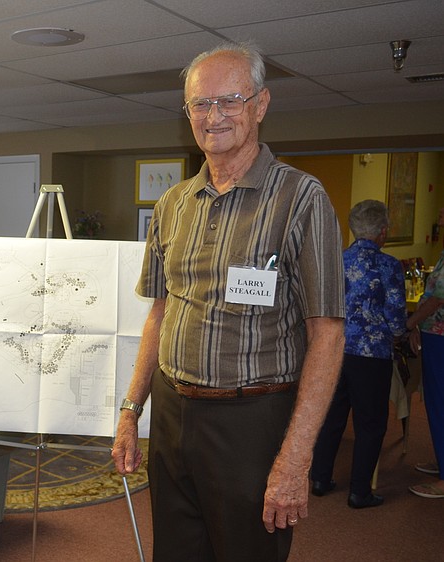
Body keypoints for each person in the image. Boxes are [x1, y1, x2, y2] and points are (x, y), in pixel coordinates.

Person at [111, 42, 345, 562]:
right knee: (175, 551)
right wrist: (133, 409)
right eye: (199, 104)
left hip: (252, 421)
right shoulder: (172, 203)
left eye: (229, 101)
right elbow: (160, 312)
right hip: (173, 414)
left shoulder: (303, 199)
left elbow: (327, 333)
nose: (212, 116)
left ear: (260, 105)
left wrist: (296, 457)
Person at [310, 200, 406, 508]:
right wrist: (400, 334)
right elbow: (395, 315)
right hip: (372, 355)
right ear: (382, 231)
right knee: (370, 423)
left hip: (335, 352)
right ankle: (359, 491)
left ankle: (320, 479)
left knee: (332, 417)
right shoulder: (389, 265)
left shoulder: (336, 261)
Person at [406, 206, 444, 499]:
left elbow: (438, 299)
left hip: (441, 338)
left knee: (440, 403)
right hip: (434, 335)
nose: (439, 218)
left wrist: (411, 322)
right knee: (434, 402)